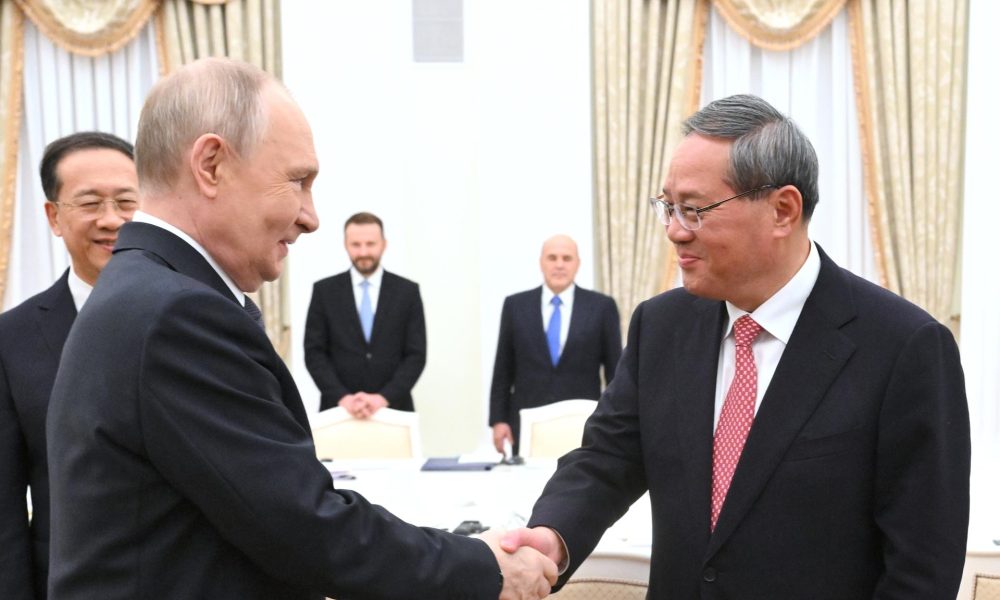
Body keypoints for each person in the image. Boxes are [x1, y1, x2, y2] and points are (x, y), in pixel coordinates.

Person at [45, 58, 555, 600]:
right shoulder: (176, 314)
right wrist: (483, 566)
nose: (311, 216)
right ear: (211, 164)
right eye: (298, 181)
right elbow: (304, 529)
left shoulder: (144, 289)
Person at [500, 94, 971, 598]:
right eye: (668, 207)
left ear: (783, 210)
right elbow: (608, 458)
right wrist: (553, 535)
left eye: (695, 210)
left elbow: (922, 569)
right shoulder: (661, 327)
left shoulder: (904, 348)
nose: (675, 232)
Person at [0, 131, 138, 600]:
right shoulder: (11, 338)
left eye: (126, 201)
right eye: (91, 203)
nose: (112, 219)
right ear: (54, 217)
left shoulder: (203, 315)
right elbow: (5, 506)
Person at [489, 235, 621, 455]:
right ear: (542, 262)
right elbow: (503, 369)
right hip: (526, 423)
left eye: (566, 258)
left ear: (577, 263)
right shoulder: (515, 306)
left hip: (583, 424)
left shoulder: (602, 307)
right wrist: (498, 420)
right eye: (552, 258)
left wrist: (615, 425)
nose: (559, 264)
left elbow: (615, 373)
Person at [304, 212, 426, 416]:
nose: (363, 252)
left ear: (384, 245)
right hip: (339, 410)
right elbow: (314, 352)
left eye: (370, 244)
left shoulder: (408, 292)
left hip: (394, 409)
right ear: (345, 245)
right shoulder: (324, 291)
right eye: (356, 244)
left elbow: (416, 355)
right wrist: (343, 397)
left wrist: (382, 398)